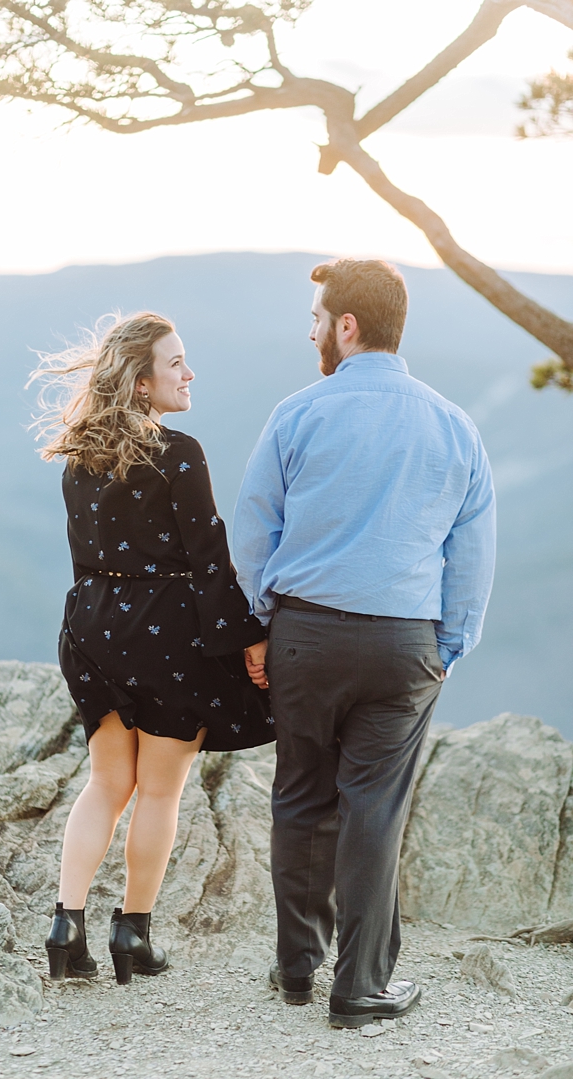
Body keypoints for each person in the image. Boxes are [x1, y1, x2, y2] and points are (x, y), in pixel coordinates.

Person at [232, 258, 495, 1029]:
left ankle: (295, 967)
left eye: (317, 316)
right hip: (402, 642)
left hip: (304, 635)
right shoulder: (454, 424)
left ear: (347, 326)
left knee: (301, 794)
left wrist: (263, 621)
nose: (311, 329)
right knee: (373, 808)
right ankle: (361, 986)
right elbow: (470, 554)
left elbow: (254, 531)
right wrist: (450, 644)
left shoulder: (296, 413)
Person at [34, 312, 270, 986]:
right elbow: (209, 562)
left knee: (107, 781)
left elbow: (85, 559)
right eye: (176, 363)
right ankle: (132, 933)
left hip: (90, 626)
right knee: (159, 792)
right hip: (166, 630)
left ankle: (65, 925)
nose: (189, 373)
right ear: (141, 384)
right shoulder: (181, 453)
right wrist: (249, 640)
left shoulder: (78, 457)